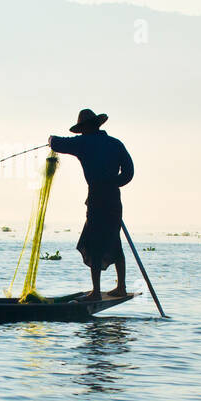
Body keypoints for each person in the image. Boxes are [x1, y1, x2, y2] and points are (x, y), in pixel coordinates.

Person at [49, 109, 134, 301]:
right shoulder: (115, 143)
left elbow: (57, 143)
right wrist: (113, 182)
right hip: (113, 198)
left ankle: (96, 291)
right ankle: (121, 286)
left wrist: (49, 139)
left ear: (85, 128)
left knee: (94, 242)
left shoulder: (83, 142)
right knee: (115, 240)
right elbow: (129, 172)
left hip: (97, 197)